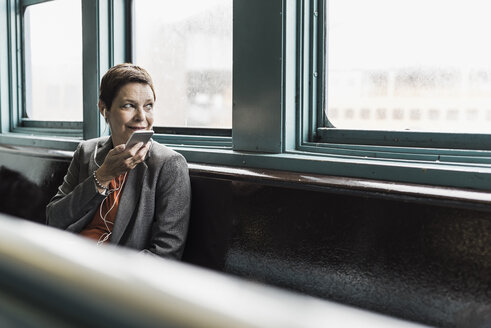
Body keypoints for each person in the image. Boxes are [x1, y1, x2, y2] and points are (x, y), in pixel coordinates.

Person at [46, 63, 191, 259]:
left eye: (148, 106)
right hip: (67, 260)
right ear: (104, 109)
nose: (142, 117)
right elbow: (54, 219)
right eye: (129, 105)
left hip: (114, 277)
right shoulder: (87, 151)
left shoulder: (169, 165)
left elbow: (165, 255)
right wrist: (103, 176)